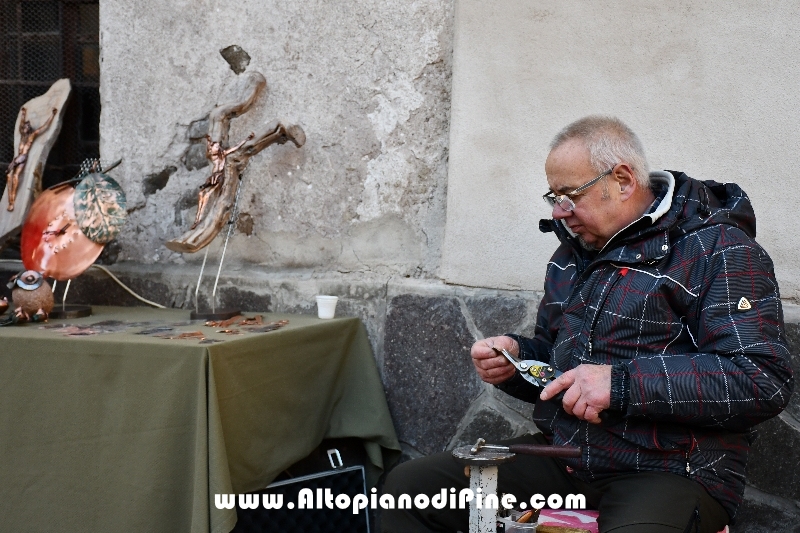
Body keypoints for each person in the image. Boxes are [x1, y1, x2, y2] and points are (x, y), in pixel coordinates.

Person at [382, 116, 794, 533]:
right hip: (568, 460)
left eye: (570, 195)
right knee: (408, 490)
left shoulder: (719, 249)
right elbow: (562, 369)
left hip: (673, 469)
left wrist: (619, 384)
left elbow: (760, 379)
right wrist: (517, 360)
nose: (560, 212)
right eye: (553, 196)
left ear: (623, 180)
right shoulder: (571, 255)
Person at [192, 132, 254, 229]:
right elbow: (209, 148)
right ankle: (197, 218)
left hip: (219, 177)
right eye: (214, 147)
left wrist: (246, 139)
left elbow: (236, 147)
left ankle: (199, 220)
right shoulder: (211, 155)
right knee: (201, 194)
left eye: (217, 147)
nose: (215, 148)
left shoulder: (223, 154)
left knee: (207, 195)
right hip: (212, 177)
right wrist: (208, 140)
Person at [4, 107, 57, 211]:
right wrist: (23, 114)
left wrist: (52, 115)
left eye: (28, 126)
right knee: (9, 176)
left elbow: (44, 127)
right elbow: (21, 123)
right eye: (25, 125)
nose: (26, 127)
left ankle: (11, 203)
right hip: (17, 158)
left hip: (22, 158)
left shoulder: (31, 135)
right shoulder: (22, 134)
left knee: (15, 177)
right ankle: (10, 201)